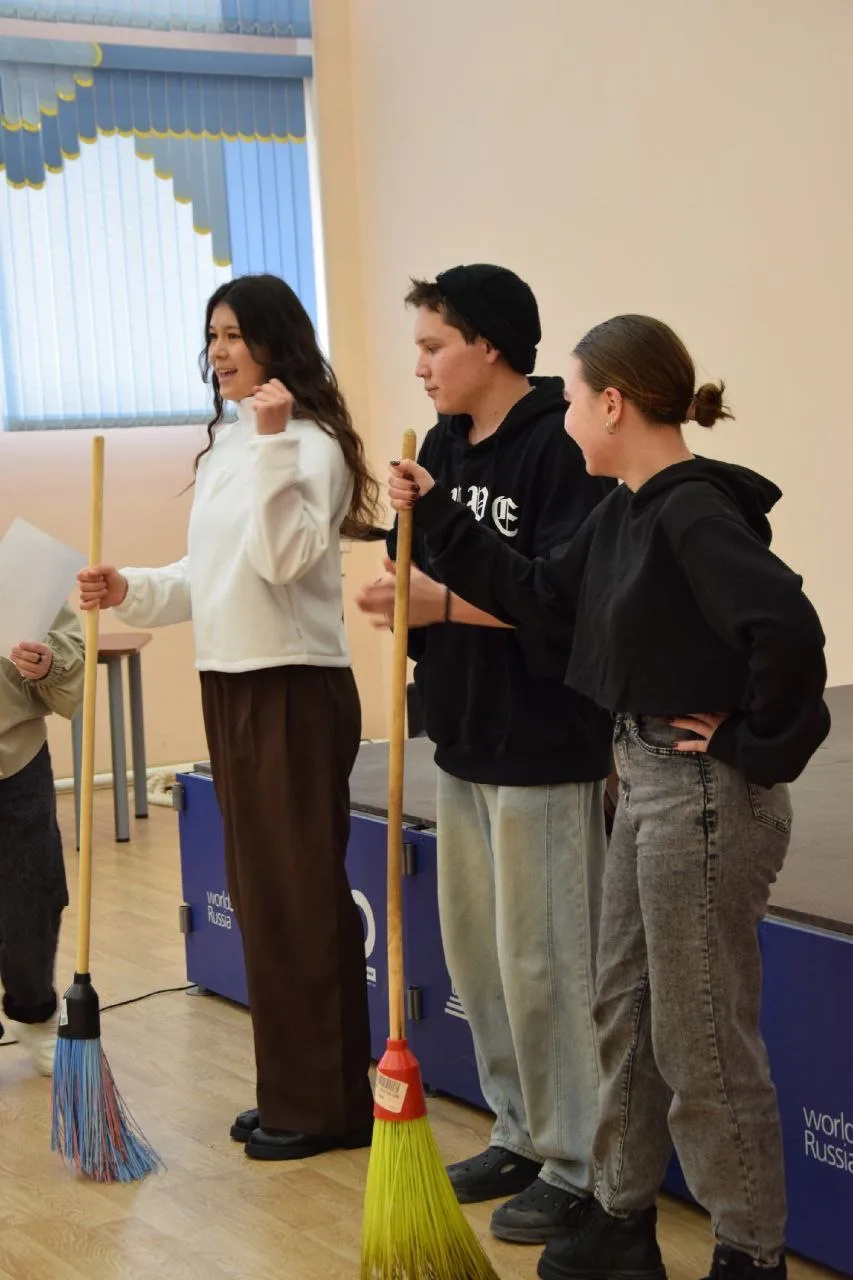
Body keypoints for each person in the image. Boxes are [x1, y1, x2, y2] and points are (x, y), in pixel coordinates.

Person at [385, 313, 830, 1280]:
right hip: (647, 784)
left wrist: (754, 744)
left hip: (702, 798)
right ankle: (620, 1222)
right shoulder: (625, 509)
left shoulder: (692, 513)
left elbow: (788, 631)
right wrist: (440, 513)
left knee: (700, 1038)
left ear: (614, 404)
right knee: (623, 1007)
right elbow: (541, 595)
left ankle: (747, 1253)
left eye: (576, 398)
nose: (566, 417)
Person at [78, 273, 380, 1162]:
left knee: (298, 896)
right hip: (233, 681)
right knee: (261, 897)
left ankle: (328, 1107)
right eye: (212, 335)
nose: (219, 352)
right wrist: (129, 587)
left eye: (235, 335)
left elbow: (283, 562)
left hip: (293, 685)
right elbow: (208, 574)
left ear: (277, 343)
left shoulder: (309, 444)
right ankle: (291, 1089)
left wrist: (275, 442)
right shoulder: (229, 442)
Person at [357, 264, 615, 1244]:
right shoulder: (439, 445)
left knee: (547, 961)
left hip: (545, 741)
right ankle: (518, 1128)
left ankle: (578, 1157)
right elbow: (421, 570)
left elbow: (561, 606)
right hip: (461, 734)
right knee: (481, 957)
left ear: (490, 345)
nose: (419, 366)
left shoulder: (560, 446)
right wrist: (400, 582)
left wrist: (439, 602)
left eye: (433, 346)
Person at [0, 607, 84, 1075]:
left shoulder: (17, 576)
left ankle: (33, 1012)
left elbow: (72, 654)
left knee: (32, 894)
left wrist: (48, 664)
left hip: (15, 753)